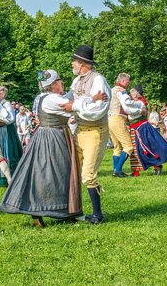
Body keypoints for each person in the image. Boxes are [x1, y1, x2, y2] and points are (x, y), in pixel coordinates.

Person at [0, 70, 83, 227]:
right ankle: (47, 211)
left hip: (47, 135)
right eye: (59, 81)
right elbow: (72, 107)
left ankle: (63, 211)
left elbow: (69, 99)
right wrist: (94, 99)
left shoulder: (43, 97)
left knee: (53, 172)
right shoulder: (53, 98)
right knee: (55, 173)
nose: (62, 83)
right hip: (53, 137)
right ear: (53, 84)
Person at [60, 45, 111, 224]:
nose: (72, 64)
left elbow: (97, 110)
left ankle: (98, 214)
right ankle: (73, 210)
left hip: (96, 131)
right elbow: (68, 100)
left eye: (74, 61)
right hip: (80, 130)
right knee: (72, 170)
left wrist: (74, 107)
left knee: (88, 174)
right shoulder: (77, 81)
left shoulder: (99, 81)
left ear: (82, 63)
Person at [107, 73, 147, 177]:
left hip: (109, 119)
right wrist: (140, 111)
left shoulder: (111, 90)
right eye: (128, 81)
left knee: (117, 147)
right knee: (128, 146)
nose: (128, 84)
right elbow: (126, 106)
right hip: (118, 119)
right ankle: (118, 170)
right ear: (124, 81)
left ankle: (115, 171)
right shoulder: (122, 91)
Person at [0, 86, 23, 186]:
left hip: (5, 130)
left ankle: (7, 178)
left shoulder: (6, 104)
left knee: (6, 152)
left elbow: (10, 118)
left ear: (3, 94)